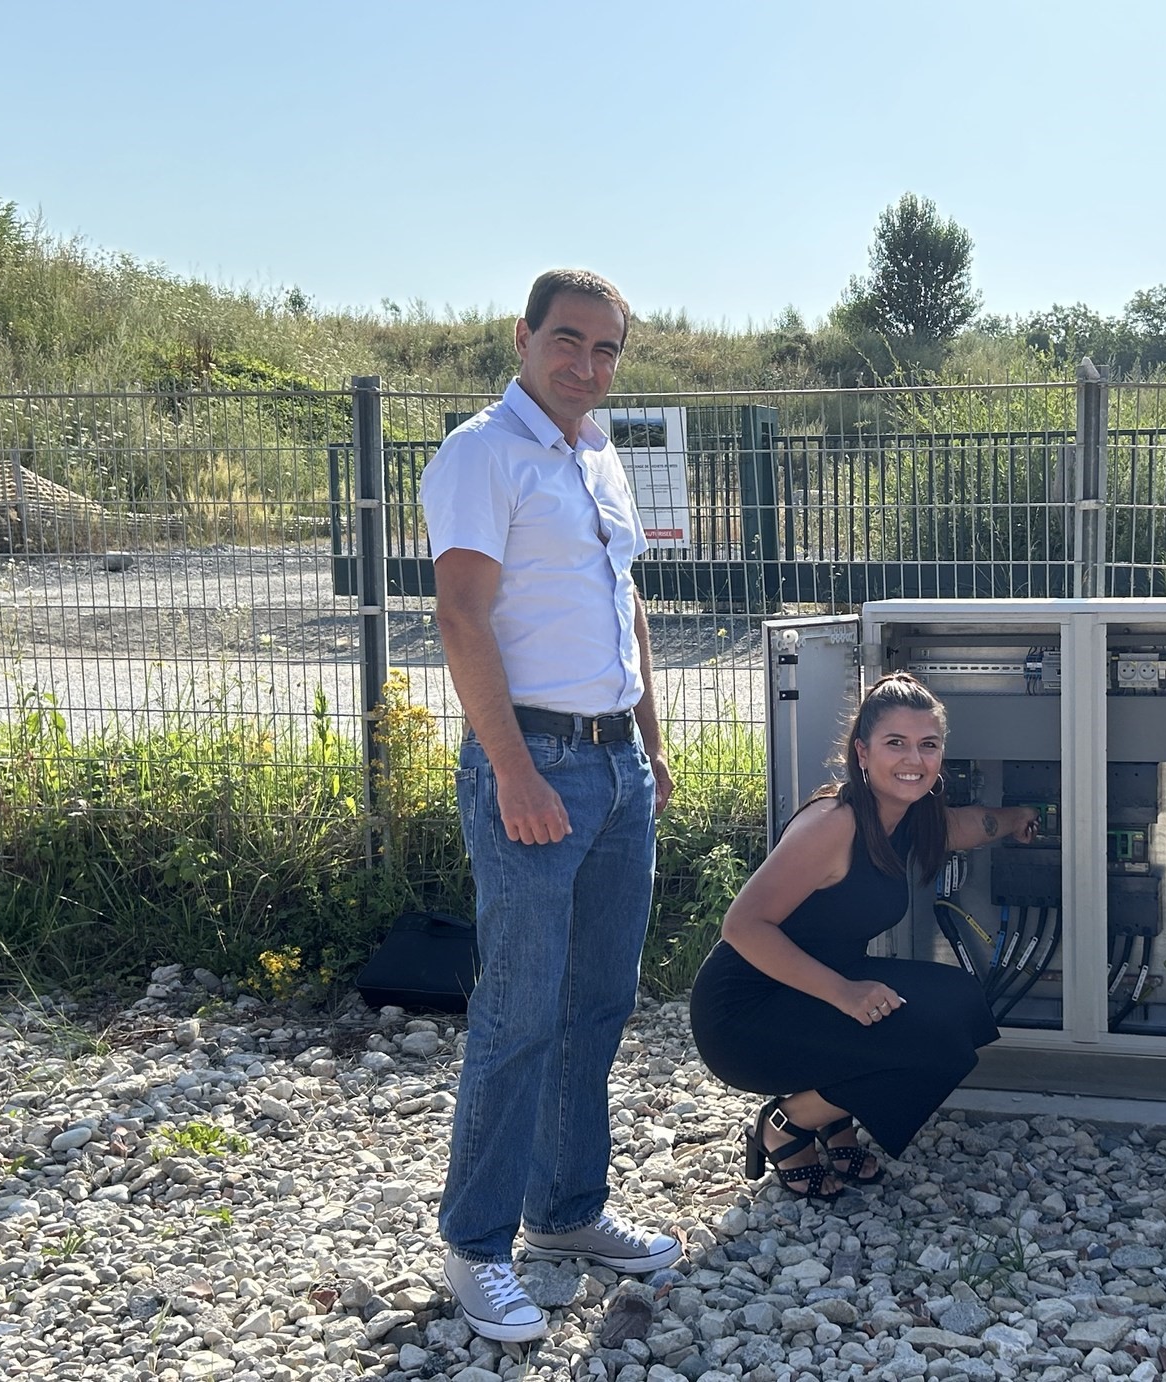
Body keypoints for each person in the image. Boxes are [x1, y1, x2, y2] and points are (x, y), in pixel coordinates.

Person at [417, 269, 681, 1343]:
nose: (586, 365)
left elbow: (624, 602)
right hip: (535, 765)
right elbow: (460, 613)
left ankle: (565, 1210)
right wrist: (514, 768)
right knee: (519, 1014)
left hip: (616, 769)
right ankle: (475, 1244)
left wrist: (652, 744)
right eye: (568, 342)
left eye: (606, 348)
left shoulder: (599, 452)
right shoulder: (481, 453)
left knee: (599, 1003)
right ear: (522, 338)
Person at [689, 673, 1039, 1199]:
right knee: (931, 1042)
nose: (912, 760)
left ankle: (835, 1117)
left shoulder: (906, 818)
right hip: (745, 1013)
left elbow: (967, 825)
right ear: (862, 752)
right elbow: (742, 925)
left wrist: (1022, 818)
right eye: (894, 743)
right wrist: (845, 993)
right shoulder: (835, 822)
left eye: (928, 745)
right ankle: (786, 1124)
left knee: (960, 1002)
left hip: (809, 994)